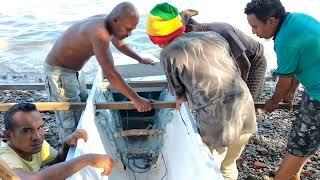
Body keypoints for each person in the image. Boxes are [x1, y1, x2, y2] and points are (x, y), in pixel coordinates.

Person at [146, 3, 257, 179]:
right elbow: (235, 69)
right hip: (246, 110)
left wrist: (183, 97)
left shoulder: (168, 53)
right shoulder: (214, 36)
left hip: (218, 123)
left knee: (211, 170)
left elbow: (177, 92)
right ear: (181, 27)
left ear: (155, 38)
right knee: (228, 166)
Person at [45, 2, 153, 143]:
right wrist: (137, 100)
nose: (129, 34)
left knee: (83, 107)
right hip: (59, 72)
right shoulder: (100, 32)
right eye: (128, 29)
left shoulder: (108, 22)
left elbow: (118, 42)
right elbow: (111, 74)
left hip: (75, 71)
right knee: (70, 117)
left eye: (132, 30)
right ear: (116, 20)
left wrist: (139, 58)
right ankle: (67, 155)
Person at [244, 0, 320, 179]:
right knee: (302, 142)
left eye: (255, 27)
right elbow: (301, 60)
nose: (253, 32)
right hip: (314, 87)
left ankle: (287, 175)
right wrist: (292, 92)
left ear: (271, 21)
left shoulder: (285, 41)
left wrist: (273, 102)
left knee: (298, 146)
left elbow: (283, 81)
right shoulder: (298, 19)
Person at [0, 103, 114, 179]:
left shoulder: (35, 143)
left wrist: (66, 145)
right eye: (27, 131)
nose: (37, 136)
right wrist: (87, 159)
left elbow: (57, 161)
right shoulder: (4, 157)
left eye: (40, 127)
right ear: (8, 135)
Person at [179, 9, 267, 101]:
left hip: (254, 61)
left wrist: (239, 91)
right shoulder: (202, 38)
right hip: (234, 63)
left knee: (246, 102)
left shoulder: (223, 32)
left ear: (190, 28)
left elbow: (244, 64)